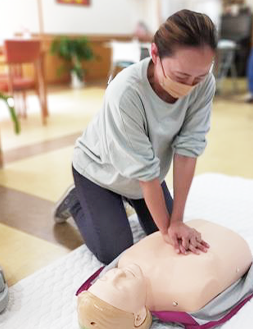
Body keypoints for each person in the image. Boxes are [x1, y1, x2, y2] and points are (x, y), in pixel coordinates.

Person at [52, 10, 217, 265]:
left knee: (171, 233)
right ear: (154, 54)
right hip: (99, 172)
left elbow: (188, 149)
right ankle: (77, 201)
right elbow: (146, 174)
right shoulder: (126, 92)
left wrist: (177, 221)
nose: (190, 86)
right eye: (181, 76)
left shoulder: (204, 85)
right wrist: (167, 231)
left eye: (199, 77)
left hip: (145, 169)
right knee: (116, 252)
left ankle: (128, 202)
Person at [76, 219, 253, 329]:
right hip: (232, 246)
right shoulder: (188, 294)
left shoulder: (126, 261)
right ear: (139, 317)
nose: (118, 274)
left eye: (107, 277)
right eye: (118, 286)